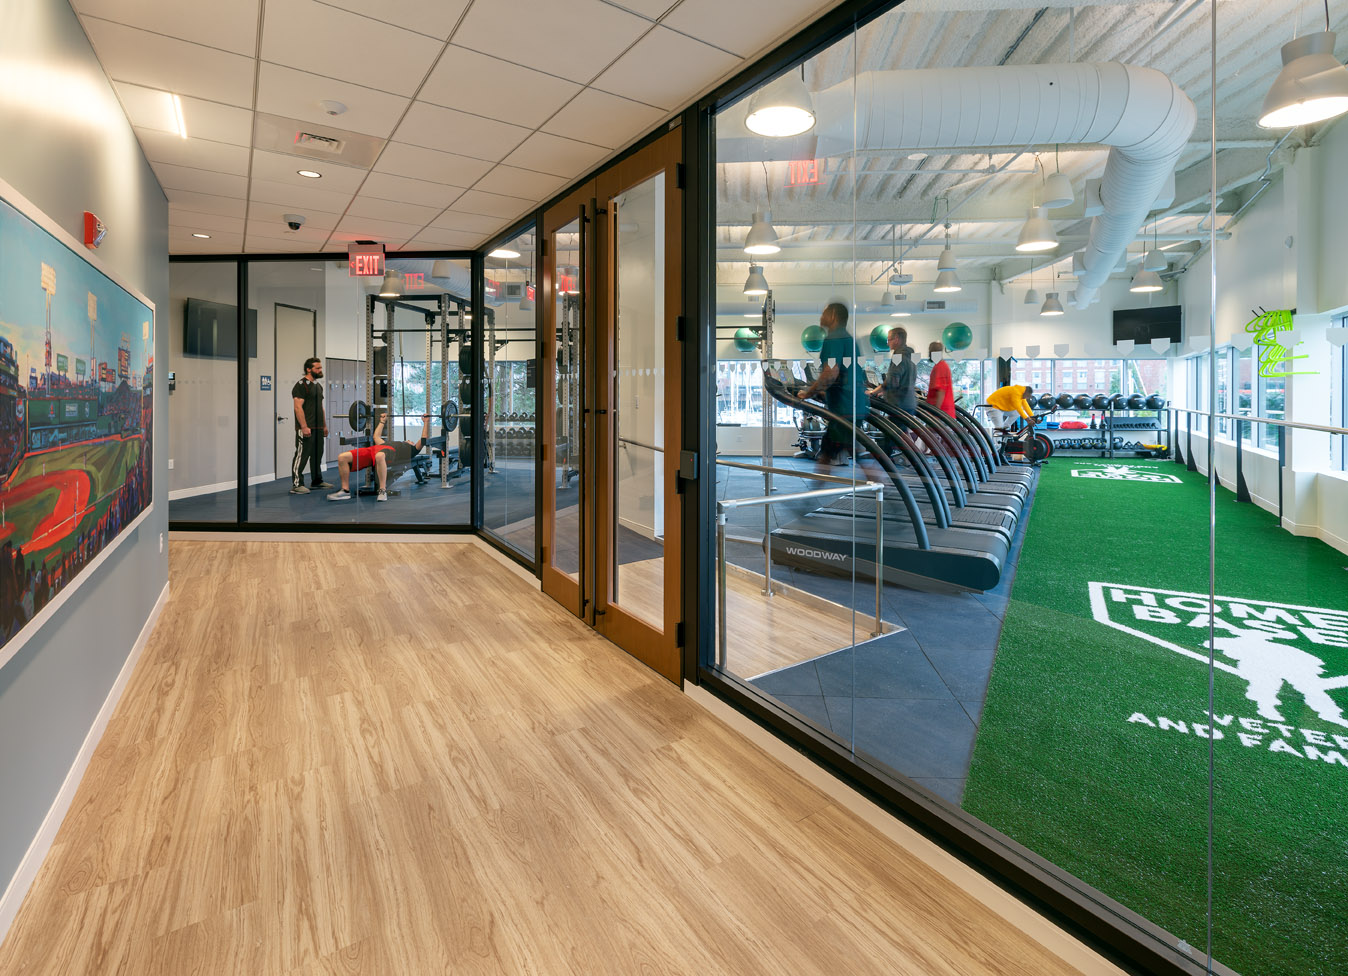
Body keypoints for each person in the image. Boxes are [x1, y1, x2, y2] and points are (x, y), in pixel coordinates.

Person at [797, 302, 868, 465]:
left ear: (833, 316)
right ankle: (880, 482)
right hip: (855, 406)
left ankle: (881, 482)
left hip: (842, 409)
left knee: (827, 456)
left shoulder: (833, 338)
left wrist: (808, 393)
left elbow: (830, 373)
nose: (821, 317)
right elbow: (846, 374)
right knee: (847, 453)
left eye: (824, 313)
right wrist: (823, 392)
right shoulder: (850, 340)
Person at [329, 412, 431, 502]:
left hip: (389, 453)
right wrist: (382, 421)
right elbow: (376, 437)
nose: (409, 440)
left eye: (411, 441)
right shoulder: (388, 442)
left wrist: (425, 422)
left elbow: (423, 439)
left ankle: (382, 491)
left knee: (380, 455)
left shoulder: (411, 450)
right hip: (374, 449)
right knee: (342, 457)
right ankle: (345, 491)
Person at [290, 357, 332, 494]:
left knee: (317, 455)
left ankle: (317, 481)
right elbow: (298, 408)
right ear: (309, 369)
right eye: (317, 368)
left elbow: (321, 407)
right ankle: (297, 484)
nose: (320, 370)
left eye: (320, 368)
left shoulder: (318, 386)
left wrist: (324, 426)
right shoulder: (301, 385)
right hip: (306, 427)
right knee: (302, 455)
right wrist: (303, 426)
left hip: (318, 427)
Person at [925, 341, 957, 418]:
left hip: (941, 413)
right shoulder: (942, 365)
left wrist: (936, 413)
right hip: (944, 411)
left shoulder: (940, 367)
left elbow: (941, 391)